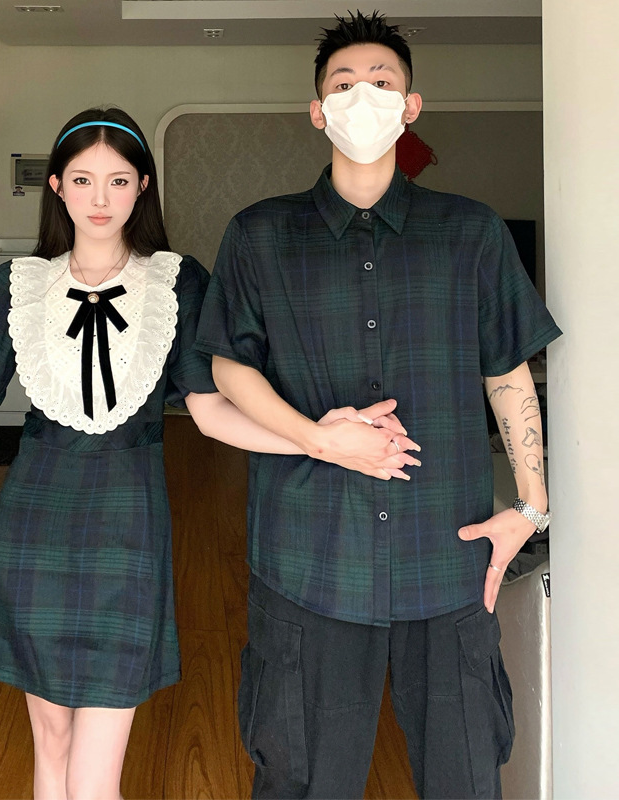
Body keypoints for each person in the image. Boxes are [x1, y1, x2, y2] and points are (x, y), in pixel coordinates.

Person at [0, 107, 373, 800]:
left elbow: (211, 414)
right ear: (57, 187)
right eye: (82, 180)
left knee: (93, 778)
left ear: (143, 186)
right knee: (50, 744)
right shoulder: (19, 286)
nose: (100, 198)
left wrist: (319, 439)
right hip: (31, 532)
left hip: (128, 533)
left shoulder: (177, 284)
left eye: (118, 180)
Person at [195, 11, 561, 800]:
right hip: (310, 557)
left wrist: (530, 508)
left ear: (411, 106)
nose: (363, 96)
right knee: (302, 779)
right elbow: (229, 368)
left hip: (447, 553)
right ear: (317, 111)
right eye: (344, 84)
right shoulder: (260, 235)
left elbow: (507, 371)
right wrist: (319, 440)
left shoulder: (470, 232)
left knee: (467, 776)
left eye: (382, 81)